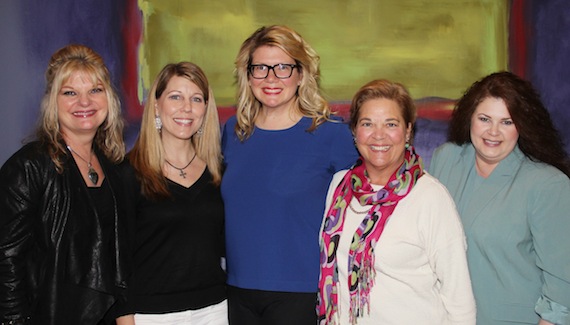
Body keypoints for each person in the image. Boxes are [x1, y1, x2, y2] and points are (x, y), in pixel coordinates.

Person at [221, 25, 358, 324]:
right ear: (248, 74)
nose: (271, 78)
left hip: (300, 292)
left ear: (301, 74)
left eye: (283, 67)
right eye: (261, 68)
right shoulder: (232, 132)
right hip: (235, 291)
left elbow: (366, 208)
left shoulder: (331, 134)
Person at [318, 79, 476, 325]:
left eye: (391, 124)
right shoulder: (340, 187)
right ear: (354, 131)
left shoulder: (430, 197)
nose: (378, 135)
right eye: (367, 123)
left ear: (408, 131)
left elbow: (459, 299)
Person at [0, 44, 128, 324]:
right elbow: (6, 261)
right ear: (52, 102)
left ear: (109, 98)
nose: (85, 102)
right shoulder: (29, 167)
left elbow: (116, 264)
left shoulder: (114, 168)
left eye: (95, 90)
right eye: (70, 92)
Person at [429, 71, 570, 325]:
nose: (493, 132)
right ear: (469, 117)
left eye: (507, 122)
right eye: (485, 119)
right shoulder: (446, 160)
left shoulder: (549, 184)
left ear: (522, 126)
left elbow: (562, 287)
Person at [116, 62, 227, 325]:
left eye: (196, 99)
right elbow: (116, 261)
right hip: (151, 316)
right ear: (156, 105)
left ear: (205, 110)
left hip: (215, 311)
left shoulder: (220, 174)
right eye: (175, 96)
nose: (186, 108)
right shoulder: (128, 174)